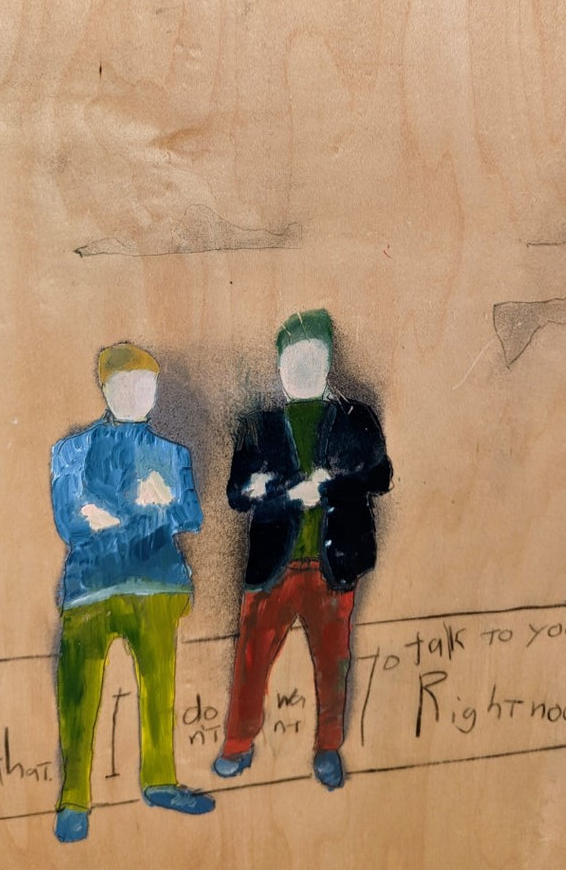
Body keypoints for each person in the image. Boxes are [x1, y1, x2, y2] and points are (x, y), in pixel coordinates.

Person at [213, 309, 392, 790]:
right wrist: (291, 493)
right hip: (273, 566)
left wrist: (329, 484)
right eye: (293, 360)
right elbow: (237, 494)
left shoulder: (355, 418)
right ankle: (237, 744)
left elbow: (380, 476)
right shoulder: (259, 425)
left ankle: (328, 747)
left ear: (327, 361)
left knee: (333, 662)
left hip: (333, 565)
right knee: (251, 659)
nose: (302, 369)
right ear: (279, 365)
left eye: (312, 358)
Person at [51, 342, 215, 843]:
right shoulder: (71, 451)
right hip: (89, 591)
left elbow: (192, 516)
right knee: (78, 697)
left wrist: (141, 511)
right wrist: (151, 512)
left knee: (159, 690)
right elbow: (71, 521)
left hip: (157, 586)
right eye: (127, 386)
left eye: (147, 386)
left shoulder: (173, 454)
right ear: (106, 388)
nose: (139, 395)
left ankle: (160, 781)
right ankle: (73, 800)